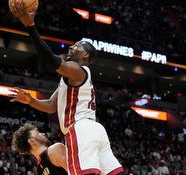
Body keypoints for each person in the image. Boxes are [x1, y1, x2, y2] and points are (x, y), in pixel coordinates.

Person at [8, 1, 124, 174]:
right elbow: (50, 106)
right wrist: (30, 100)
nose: (71, 47)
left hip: (80, 129)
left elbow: (51, 60)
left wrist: (30, 27)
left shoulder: (78, 70)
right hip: (96, 131)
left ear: (85, 55)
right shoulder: (71, 77)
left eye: (77, 46)